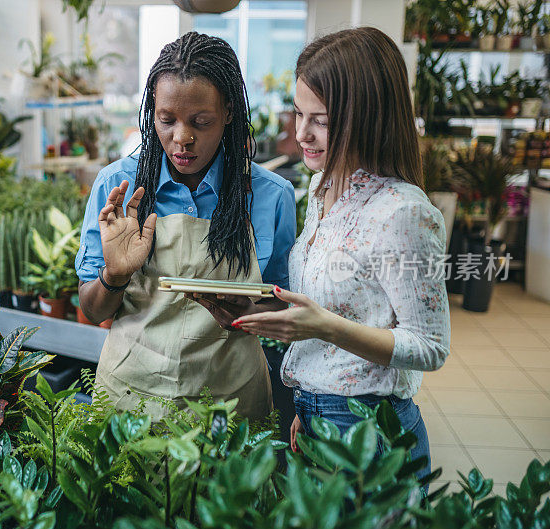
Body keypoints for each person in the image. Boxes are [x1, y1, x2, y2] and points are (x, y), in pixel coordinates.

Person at [232, 27, 450, 481]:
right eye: (298, 113)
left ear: (369, 116)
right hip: (316, 415)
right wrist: (310, 405)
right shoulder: (322, 187)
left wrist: (326, 330)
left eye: (323, 120)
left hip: (369, 430)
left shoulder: (403, 212)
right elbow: (333, 308)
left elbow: (430, 347)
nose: (302, 135)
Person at [76, 31, 296, 420]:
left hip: (230, 407)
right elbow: (93, 311)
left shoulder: (270, 195)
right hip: (131, 403)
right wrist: (114, 275)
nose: (182, 138)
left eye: (201, 121)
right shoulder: (119, 187)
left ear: (229, 112)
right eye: (166, 120)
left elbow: (283, 300)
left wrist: (251, 309)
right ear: (151, 114)